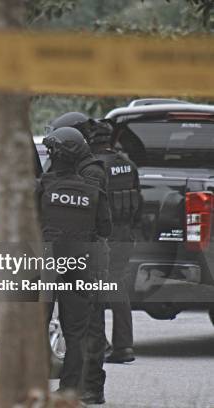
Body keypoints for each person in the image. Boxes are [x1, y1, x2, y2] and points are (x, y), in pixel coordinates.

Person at [38, 127, 112, 405]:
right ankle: (71, 388)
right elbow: (105, 228)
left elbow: (31, 222)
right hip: (80, 263)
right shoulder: (92, 188)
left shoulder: (44, 185)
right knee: (76, 330)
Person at [87, 120, 141, 364]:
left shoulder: (95, 167)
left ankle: (103, 345)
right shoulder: (127, 165)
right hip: (125, 235)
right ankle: (123, 345)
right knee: (117, 287)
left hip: (104, 237)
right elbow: (138, 202)